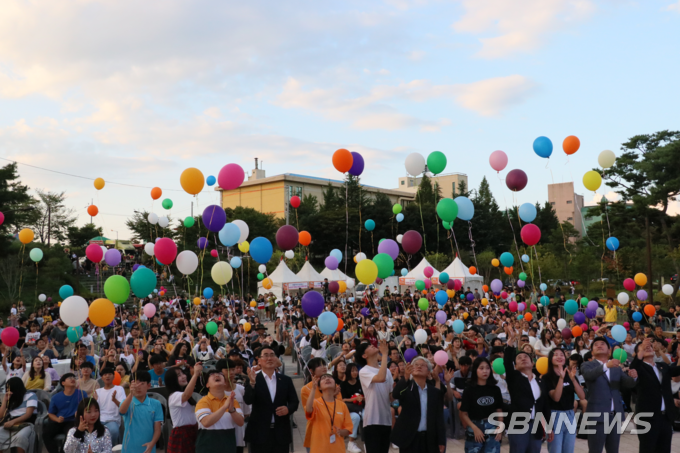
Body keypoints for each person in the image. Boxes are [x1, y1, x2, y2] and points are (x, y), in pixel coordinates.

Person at [580, 336, 637, 453]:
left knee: (613, 450)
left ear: (609, 350)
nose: (599, 346)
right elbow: (589, 375)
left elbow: (628, 384)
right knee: (595, 450)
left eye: (602, 344)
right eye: (596, 344)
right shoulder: (587, 365)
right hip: (597, 415)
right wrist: (606, 366)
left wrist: (634, 377)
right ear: (592, 352)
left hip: (615, 415)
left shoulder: (616, 368)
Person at [244, 345, 299, 453]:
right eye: (265, 355)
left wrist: (288, 409)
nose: (269, 358)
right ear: (259, 361)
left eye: (272, 355)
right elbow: (248, 400)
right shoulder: (253, 378)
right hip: (259, 433)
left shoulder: (285, 380)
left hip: (281, 432)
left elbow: (294, 402)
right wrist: (252, 383)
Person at [630, 337, 680, 453]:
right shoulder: (639, 368)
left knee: (664, 449)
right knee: (648, 448)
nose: (648, 348)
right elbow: (634, 367)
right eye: (643, 348)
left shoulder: (662, 366)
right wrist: (642, 350)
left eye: (649, 347)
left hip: (665, 417)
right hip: (647, 417)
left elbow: (677, 371)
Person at [504, 327, 549, 453]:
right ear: (515, 366)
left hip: (536, 426)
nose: (523, 358)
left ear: (532, 363)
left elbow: (544, 405)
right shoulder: (514, 378)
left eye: (526, 357)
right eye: (519, 358)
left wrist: (549, 426)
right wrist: (510, 345)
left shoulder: (540, 381)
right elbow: (507, 363)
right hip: (518, 424)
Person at [390, 356, 447, 453]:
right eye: (416, 365)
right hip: (409, 438)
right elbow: (395, 394)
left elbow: (439, 417)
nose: (419, 366)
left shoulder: (435, 392)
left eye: (422, 365)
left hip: (429, 439)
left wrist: (441, 440)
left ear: (428, 372)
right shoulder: (406, 388)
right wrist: (406, 377)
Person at [543, 348, 585, 453]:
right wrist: (561, 379)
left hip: (570, 414)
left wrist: (573, 380)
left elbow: (582, 396)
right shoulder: (546, 377)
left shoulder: (570, 375)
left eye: (561, 354)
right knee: (555, 450)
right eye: (555, 355)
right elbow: (556, 398)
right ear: (550, 359)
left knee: (569, 450)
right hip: (554, 415)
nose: (559, 357)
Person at [459, 357, 504, 453]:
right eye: (481, 368)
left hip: (492, 426)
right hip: (475, 427)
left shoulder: (495, 389)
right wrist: (474, 428)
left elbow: (499, 411)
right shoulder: (469, 390)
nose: (485, 371)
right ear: (475, 370)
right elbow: (463, 414)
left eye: (487, 368)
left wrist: (500, 427)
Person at [356, 340, 392, 453]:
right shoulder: (364, 371)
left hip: (386, 419)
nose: (372, 345)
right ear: (364, 355)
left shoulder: (387, 371)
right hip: (372, 420)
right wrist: (385, 354)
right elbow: (380, 378)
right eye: (368, 346)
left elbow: (391, 397)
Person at [195, 369, 245, 452]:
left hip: (228, 447)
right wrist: (224, 407)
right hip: (207, 448)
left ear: (225, 382)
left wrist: (232, 410)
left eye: (220, 374)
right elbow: (206, 422)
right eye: (212, 374)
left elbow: (241, 423)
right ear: (207, 385)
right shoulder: (203, 401)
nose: (216, 375)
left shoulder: (233, 401)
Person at [304, 373, 353, 453]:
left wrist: (341, 432)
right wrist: (313, 389)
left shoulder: (342, 405)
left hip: (338, 449)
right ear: (319, 387)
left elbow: (348, 429)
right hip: (319, 449)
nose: (327, 379)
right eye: (323, 378)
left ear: (335, 385)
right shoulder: (315, 403)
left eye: (330, 377)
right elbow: (308, 409)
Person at [119, 370, 163, 453]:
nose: (138, 387)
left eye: (142, 384)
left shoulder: (156, 404)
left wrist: (152, 443)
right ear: (130, 386)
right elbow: (122, 411)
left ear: (148, 385)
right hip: (129, 448)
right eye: (135, 384)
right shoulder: (126, 402)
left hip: (148, 448)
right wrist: (131, 394)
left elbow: (157, 429)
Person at [44, 373, 89, 453]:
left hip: (73, 421)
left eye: (74, 377)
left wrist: (80, 413)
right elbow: (50, 413)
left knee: (70, 435)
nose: (72, 379)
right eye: (69, 378)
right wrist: (57, 419)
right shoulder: (55, 397)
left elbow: (87, 408)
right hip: (59, 421)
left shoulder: (82, 394)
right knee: (46, 434)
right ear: (63, 383)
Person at [165, 363, 202, 453]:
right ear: (172, 380)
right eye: (178, 375)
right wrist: (195, 375)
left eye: (182, 373)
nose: (183, 376)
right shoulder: (174, 396)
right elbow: (186, 394)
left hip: (192, 431)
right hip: (181, 434)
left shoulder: (184, 395)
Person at [0, 377, 37, 453]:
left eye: (9, 388)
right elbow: (1, 416)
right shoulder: (11, 398)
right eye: (7, 388)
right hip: (12, 424)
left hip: (26, 424)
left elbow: (28, 414)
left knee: (20, 437)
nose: (8, 390)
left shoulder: (30, 395)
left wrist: (13, 421)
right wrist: (5, 400)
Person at [94, 367, 126, 445]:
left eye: (109, 374)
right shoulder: (97, 391)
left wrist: (114, 400)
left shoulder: (119, 389)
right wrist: (95, 400)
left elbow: (123, 406)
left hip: (113, 420)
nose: (107, 376)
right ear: (102, 378)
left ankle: (112, 449)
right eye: (105, 374)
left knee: (114, 431)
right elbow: (95, 409)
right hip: (99, 420)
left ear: (114, 377)